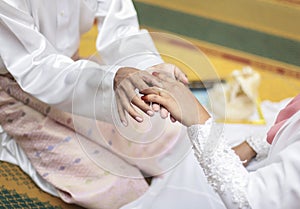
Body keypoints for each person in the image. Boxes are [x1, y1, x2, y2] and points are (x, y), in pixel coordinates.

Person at [0, 0, 190, 208]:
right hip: (15, 88)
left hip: (75, 72)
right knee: (113, 185)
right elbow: (36, 66)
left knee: (170, 134)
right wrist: (111, 79)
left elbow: (120, 28)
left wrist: (149, 71)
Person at [141, 72, 300, 209]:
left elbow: (250, 201)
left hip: (257, 189)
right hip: (265, 154)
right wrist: (253, 145)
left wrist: (198, 118)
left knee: (192, 167)